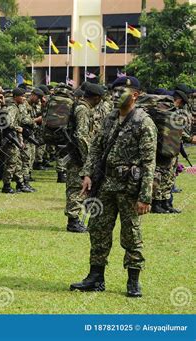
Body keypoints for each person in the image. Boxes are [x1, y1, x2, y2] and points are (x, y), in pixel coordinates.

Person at [70, 76, 157, 298]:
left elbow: (149, 162)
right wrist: (88, 174)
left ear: (135, 95)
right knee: (98, 229)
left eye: (122, 92)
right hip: (105, 185)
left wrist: (145, 196)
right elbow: (97, 149)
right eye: (114, 92)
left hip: (129, 187)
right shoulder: (109, 119)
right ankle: (96, 277)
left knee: (131, 235)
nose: (116, 95)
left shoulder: (143, 122)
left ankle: (133, 280)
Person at [65, 84, 104, 233]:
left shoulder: (84, 108)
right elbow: (81, 136)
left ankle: (76, 219)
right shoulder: (82, 109)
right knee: (76, 187)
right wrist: (88, 159)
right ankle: (73, 221)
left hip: (80, 154)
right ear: (96, 97)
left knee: (80, 186)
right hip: (78, 156)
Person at [2, 87, 29, 193]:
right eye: (22, 96)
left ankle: (20, 183)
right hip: (10, 139)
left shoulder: (17, 107)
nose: (24, 98)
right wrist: (19, 128)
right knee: (11, 163)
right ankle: (6, 185)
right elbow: (9, 123)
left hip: (15, 138)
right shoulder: (12, 108)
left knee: (17, 162)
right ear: (15, 97)